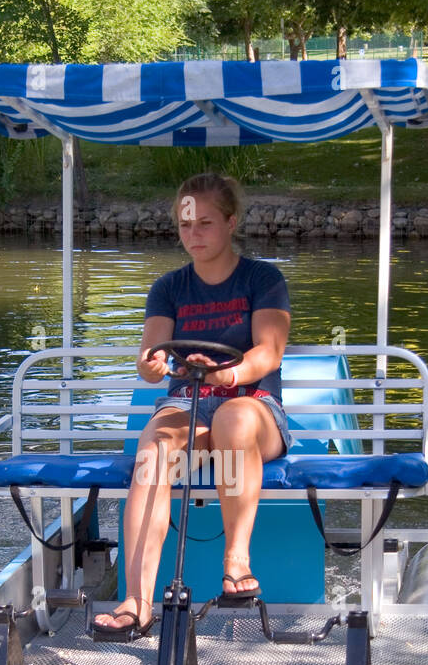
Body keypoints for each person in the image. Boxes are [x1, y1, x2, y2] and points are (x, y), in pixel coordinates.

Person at [93, 173, 292, 637]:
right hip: (188, 400)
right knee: (154, 450)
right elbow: (151, 357)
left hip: (252, 403)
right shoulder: (169, 288)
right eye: (185, 225)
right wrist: (153, 363)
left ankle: (236, 563)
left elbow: (269, 351)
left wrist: (228, 374)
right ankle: (138, 601)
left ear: (230, 222)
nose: (193, 235)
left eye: (205, 223)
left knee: (233, 418)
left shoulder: (263, 278)